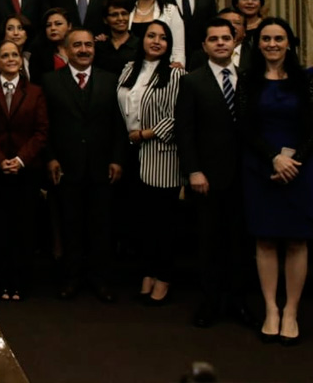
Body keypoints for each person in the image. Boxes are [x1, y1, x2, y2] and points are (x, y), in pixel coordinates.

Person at [175, 18, 255, 329]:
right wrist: (193, 170)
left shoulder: (248, 79)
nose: (221, 43)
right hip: (207, 177)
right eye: (214, 39)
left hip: (245, 176)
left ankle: (238, 301)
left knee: (240, 242)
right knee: (209, 242)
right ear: (205, 45)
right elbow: (185, 131)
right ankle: (210, 301)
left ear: (235, 42)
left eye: (226, 38)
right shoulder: (192, 81)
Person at [237, 17, 312, 344]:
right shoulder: (248, 80)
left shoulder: (305, 81)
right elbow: (244, 127)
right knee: (265, 239)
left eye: (278, 38)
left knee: (297, 240)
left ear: (289, 43)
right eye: (266, 38)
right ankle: (271, 309)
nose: (271, 44)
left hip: (301, 168)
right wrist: (273, 157)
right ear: (259, 43)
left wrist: (293, 161)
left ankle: (292, 310)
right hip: (260, 166)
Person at [42, 29, 125, 302]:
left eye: (88, 45)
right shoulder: (50, 82)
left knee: (102, 226)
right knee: (70, 225)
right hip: (66, 166)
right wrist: (51, 157)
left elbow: (118, 124)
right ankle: (71, 278)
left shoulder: (110, 80)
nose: (83, 49)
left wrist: (116, 158)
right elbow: (46, 126)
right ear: (66, 49)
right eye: (77, 45)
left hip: (102, 165)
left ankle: (101, 280)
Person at [116, 20, 185, 305]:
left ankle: (164, 276)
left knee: (163, 223)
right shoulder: (129, 69)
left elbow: (177, 117)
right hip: (131, 155)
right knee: (141, 221)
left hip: (161, 156)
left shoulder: (175, 75)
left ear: (169, 45)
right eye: (151, 36)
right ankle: (147, 272)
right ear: (142, 40)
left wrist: (146, 133)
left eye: (163, 38)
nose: (156, 41)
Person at [0, 40, 49, 300]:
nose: (10, 59)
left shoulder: (36, 92)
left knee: (24, 227)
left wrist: (19, 160)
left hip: (26, 171)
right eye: (4, 56)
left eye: (14, 55)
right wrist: (0, 160)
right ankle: (2, 282)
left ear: (21, 60)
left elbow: (41, 132)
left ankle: (20, 282)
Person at [129, 0, 186, 67]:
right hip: (130, 68)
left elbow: (178, 50)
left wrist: (177, 69)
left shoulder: (170, 11)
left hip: (161, 70)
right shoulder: (126, 12)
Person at [94, 0, 139, 75]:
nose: (120, 18)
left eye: (124, 14)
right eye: (114, 15)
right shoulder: (99, 46)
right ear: (105, 20)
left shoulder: (140, 45)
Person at [29, 8, 71, 84]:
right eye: (48, 25)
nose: (53, 28)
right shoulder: (38, 53)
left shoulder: (80, 48)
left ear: (69, 26)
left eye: (58, 24)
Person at [0, 14, 34, 80]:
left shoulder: (31, 58)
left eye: (20, 28)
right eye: (10, 29)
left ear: (27, 34)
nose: (16, 33)